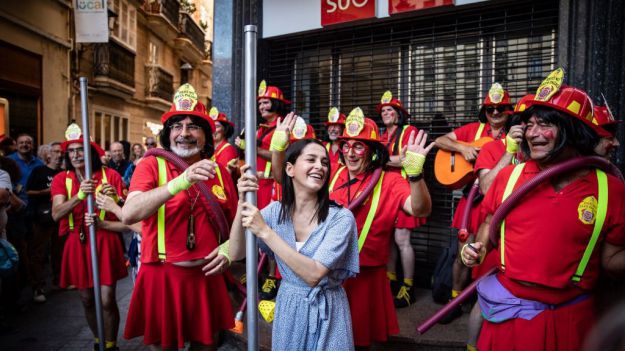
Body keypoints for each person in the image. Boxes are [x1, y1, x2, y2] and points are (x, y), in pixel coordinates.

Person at [461, 71, 625, 350]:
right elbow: (490, 222)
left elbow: (611, 261)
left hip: (572, 323)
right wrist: (477, 247)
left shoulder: (610, 189)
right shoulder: (509, 177)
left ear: (574, 130)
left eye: (545, 124)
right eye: (530, 124)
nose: (533, 133)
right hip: (508, 321)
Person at [122, 84, 237, 351]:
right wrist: (180, 181)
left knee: (208, 345)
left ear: (206, 135)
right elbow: (129, 213)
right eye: (177, 126)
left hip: (206, 278)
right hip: (162, 276)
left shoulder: (219, 172)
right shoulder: (151, 164)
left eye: (193, 126)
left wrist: (231, 250)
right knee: (164, 346)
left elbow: (237, 224)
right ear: (168, 134)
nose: (184, 133)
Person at [227, 139, 360, 350]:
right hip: (289, 307)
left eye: (325, 162)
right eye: (311, 159)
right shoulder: (275, 212)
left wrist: (266, 232)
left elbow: (314, 274)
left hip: (327, 311)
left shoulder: (341, 218)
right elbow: (236, 252)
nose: (320, 166)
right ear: (290, 168)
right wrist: (241, 202)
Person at [328, 107, 433, 348]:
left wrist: (415, 175)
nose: (350, 153)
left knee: (359, 342)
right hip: (327, 272)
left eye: (359, 146)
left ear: (373, 151)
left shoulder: (390, 181)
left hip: (364, 279)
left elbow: (420, 209)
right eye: (346, 145)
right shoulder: (334, 173)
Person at [434, 83, 513, 322]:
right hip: (473, 202)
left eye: (501, 108)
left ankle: (486, 303)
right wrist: (462, 147)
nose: (496, 113)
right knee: (462, 254)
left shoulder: (517, 135)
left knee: (494, 258)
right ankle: (455, 300)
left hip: (501, 206)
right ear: (485, 111)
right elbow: (440, 141)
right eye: (491, 109)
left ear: (508, 110)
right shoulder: (475, 130)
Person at [51, 124, 128, 351]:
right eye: (71, 151)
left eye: (80, 149)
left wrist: (115, 203)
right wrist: (79, 196)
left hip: (106, 240)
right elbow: (56, 214)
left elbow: (128, 217)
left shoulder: (110, 175)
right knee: (86, 299)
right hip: (77, 242)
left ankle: (111, 345)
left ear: (91, 152)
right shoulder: (61, 179)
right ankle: (98, 341)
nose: (75, 154)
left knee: (106, 299)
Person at [235, 80, 291, 301]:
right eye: (260, 103)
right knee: (253, 227)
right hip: (257, 185)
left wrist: (254, 148)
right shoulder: (257, 128)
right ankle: (256, 270)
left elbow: (284, 156)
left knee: (271, 230)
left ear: (277, 103)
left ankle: (272, 275)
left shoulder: (285, 126)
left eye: (266, 102)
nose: (262, 107)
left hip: (275, 184)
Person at [376, 91, 423, 308]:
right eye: (383, 111)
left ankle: (408, 287)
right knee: (388, 239)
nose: (386, 113)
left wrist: (384, 161)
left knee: (403, 241)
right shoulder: (379, 135)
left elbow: (408, 160)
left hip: (404, 191)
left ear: (399, 114)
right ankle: (391, 280)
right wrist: (393, 160)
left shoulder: (409, 131)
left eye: (390, 110)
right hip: (383, 192)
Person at [25, 142, 63, 301]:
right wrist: (45, 192)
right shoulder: (39, 171)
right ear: (48, 154)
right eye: (55, 151)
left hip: (60, 217)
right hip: (42, 217)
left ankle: (58, 281)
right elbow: (28, 191)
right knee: (39, 253)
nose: (59, 155)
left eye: (61, 152)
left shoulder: (64, 173)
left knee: (58, 252)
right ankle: (38, 288)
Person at [208, 107, 239, 175]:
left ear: (225, 130)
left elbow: (224, 176)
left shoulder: (227, 150)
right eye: (210, 126)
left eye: (217, 126)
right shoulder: (212, 148)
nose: (212, 130)